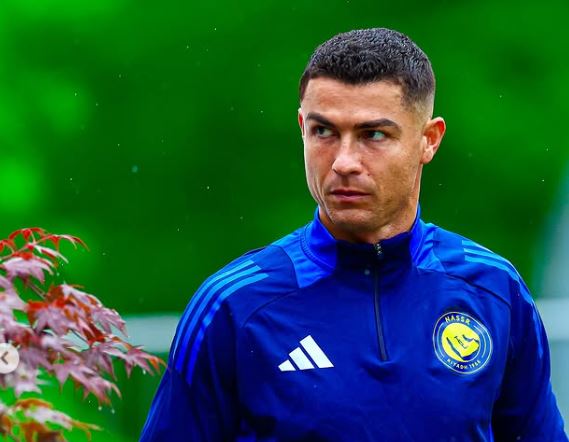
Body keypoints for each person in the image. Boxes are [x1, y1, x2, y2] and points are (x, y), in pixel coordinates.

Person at [139, 28, 568, 441]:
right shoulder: (234, 305)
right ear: (301, 127)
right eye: (323, 131)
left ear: (429, 140)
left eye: (373, 134)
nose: (344, 161)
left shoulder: (494, 290)